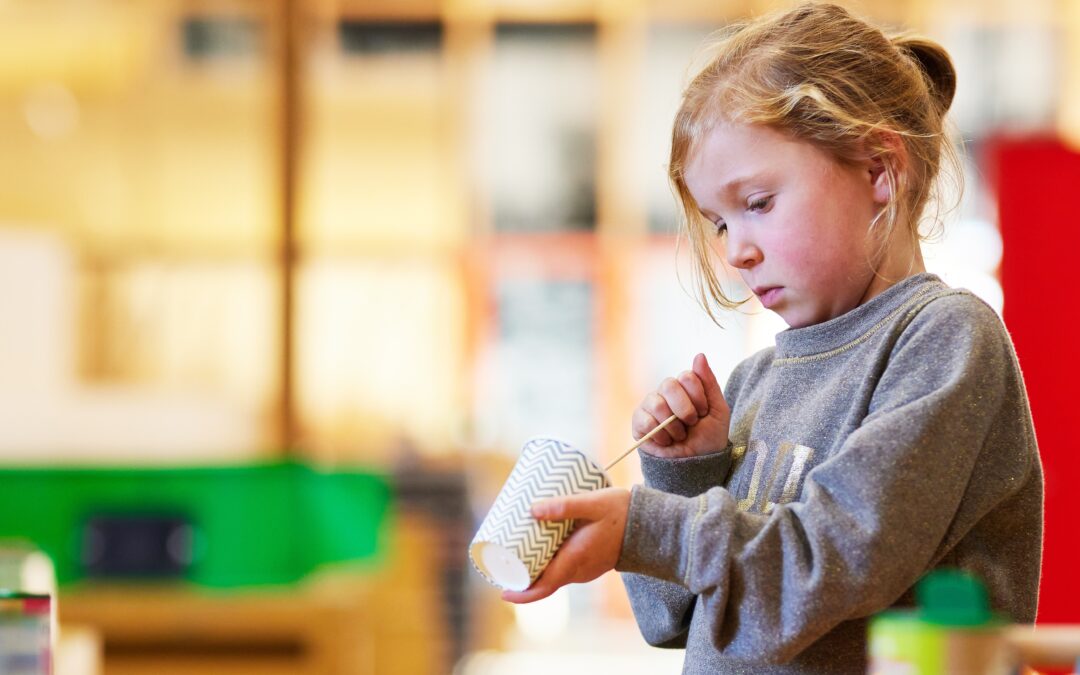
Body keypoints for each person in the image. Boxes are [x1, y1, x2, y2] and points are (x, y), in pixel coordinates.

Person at [500, 3, 1044, 673]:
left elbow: (844, 554)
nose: (737, 252)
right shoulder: (754, 383)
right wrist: (688, 474)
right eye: (720, 223)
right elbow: (675, 618)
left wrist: (644, 526)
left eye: (756, 203)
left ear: (879, 170)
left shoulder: (944, 339)